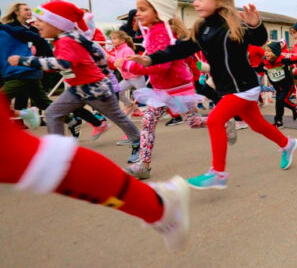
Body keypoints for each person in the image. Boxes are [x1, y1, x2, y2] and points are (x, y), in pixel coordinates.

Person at [127, 0, 297, 189]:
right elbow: (180, 49)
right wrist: (151, 58)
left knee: (216, 119)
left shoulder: (232, 24)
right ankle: (287, 144)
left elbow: (258, 39)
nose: (195, 2)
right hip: (227, 89)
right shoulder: (202, 28)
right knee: (257, 124)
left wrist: (256, 25)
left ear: (218, 0)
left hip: (244, 87)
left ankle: (218, 173)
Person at [0, 92, 191, 252]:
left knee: (14, 155)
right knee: (18, 153)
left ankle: (156, 202)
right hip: (85, 88)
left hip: (94, 88)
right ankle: (156, 199)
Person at [8, 0, 141, 162]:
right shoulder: (68, 37)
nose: (36, 23)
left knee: (117, 117)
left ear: (57, 23)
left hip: (95, 90)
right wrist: (104, 71)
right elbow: (95, 54)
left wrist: (25, 61)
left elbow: (63, 63)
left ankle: (138, 141)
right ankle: (58, 154)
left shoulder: (66, 40)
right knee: (52, 112)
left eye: (41, 20)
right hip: (77, 89)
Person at [115, 0, 206, 180]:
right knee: (163, 121)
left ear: (158, 11)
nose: (138, 14)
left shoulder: (161, 33)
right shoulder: (152, 31)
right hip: (163, 89)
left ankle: (223, 121)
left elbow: (160, 66)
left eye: (143, 9)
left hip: (177, 90)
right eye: (137, 9)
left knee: (184, 122)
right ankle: (143, 164)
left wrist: (130, 65)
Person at [257, 41, 297, 128]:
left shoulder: (282, 61)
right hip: (278, 88)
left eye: (269, 51)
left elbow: (296, 59)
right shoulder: (264, 64)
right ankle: (278, 122)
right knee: (278, 105)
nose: (266, 53)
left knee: (282, 100)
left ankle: (295, 107)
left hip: (288, 86)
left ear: (275, 53)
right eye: (265, 51)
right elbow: (255, 68)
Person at [107, 30, 147, 114]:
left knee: (145, 96)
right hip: (127, 79)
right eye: (111, 39)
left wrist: (110, 58)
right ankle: (131, 106)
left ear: (122, 40)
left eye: (114, 38)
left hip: (136, 77)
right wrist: (109, 57)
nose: (112, 41)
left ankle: (160, 108)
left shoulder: (127, 50)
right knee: (116, 92)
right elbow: (117, 62)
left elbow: (125, 63)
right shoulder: (118, 50)